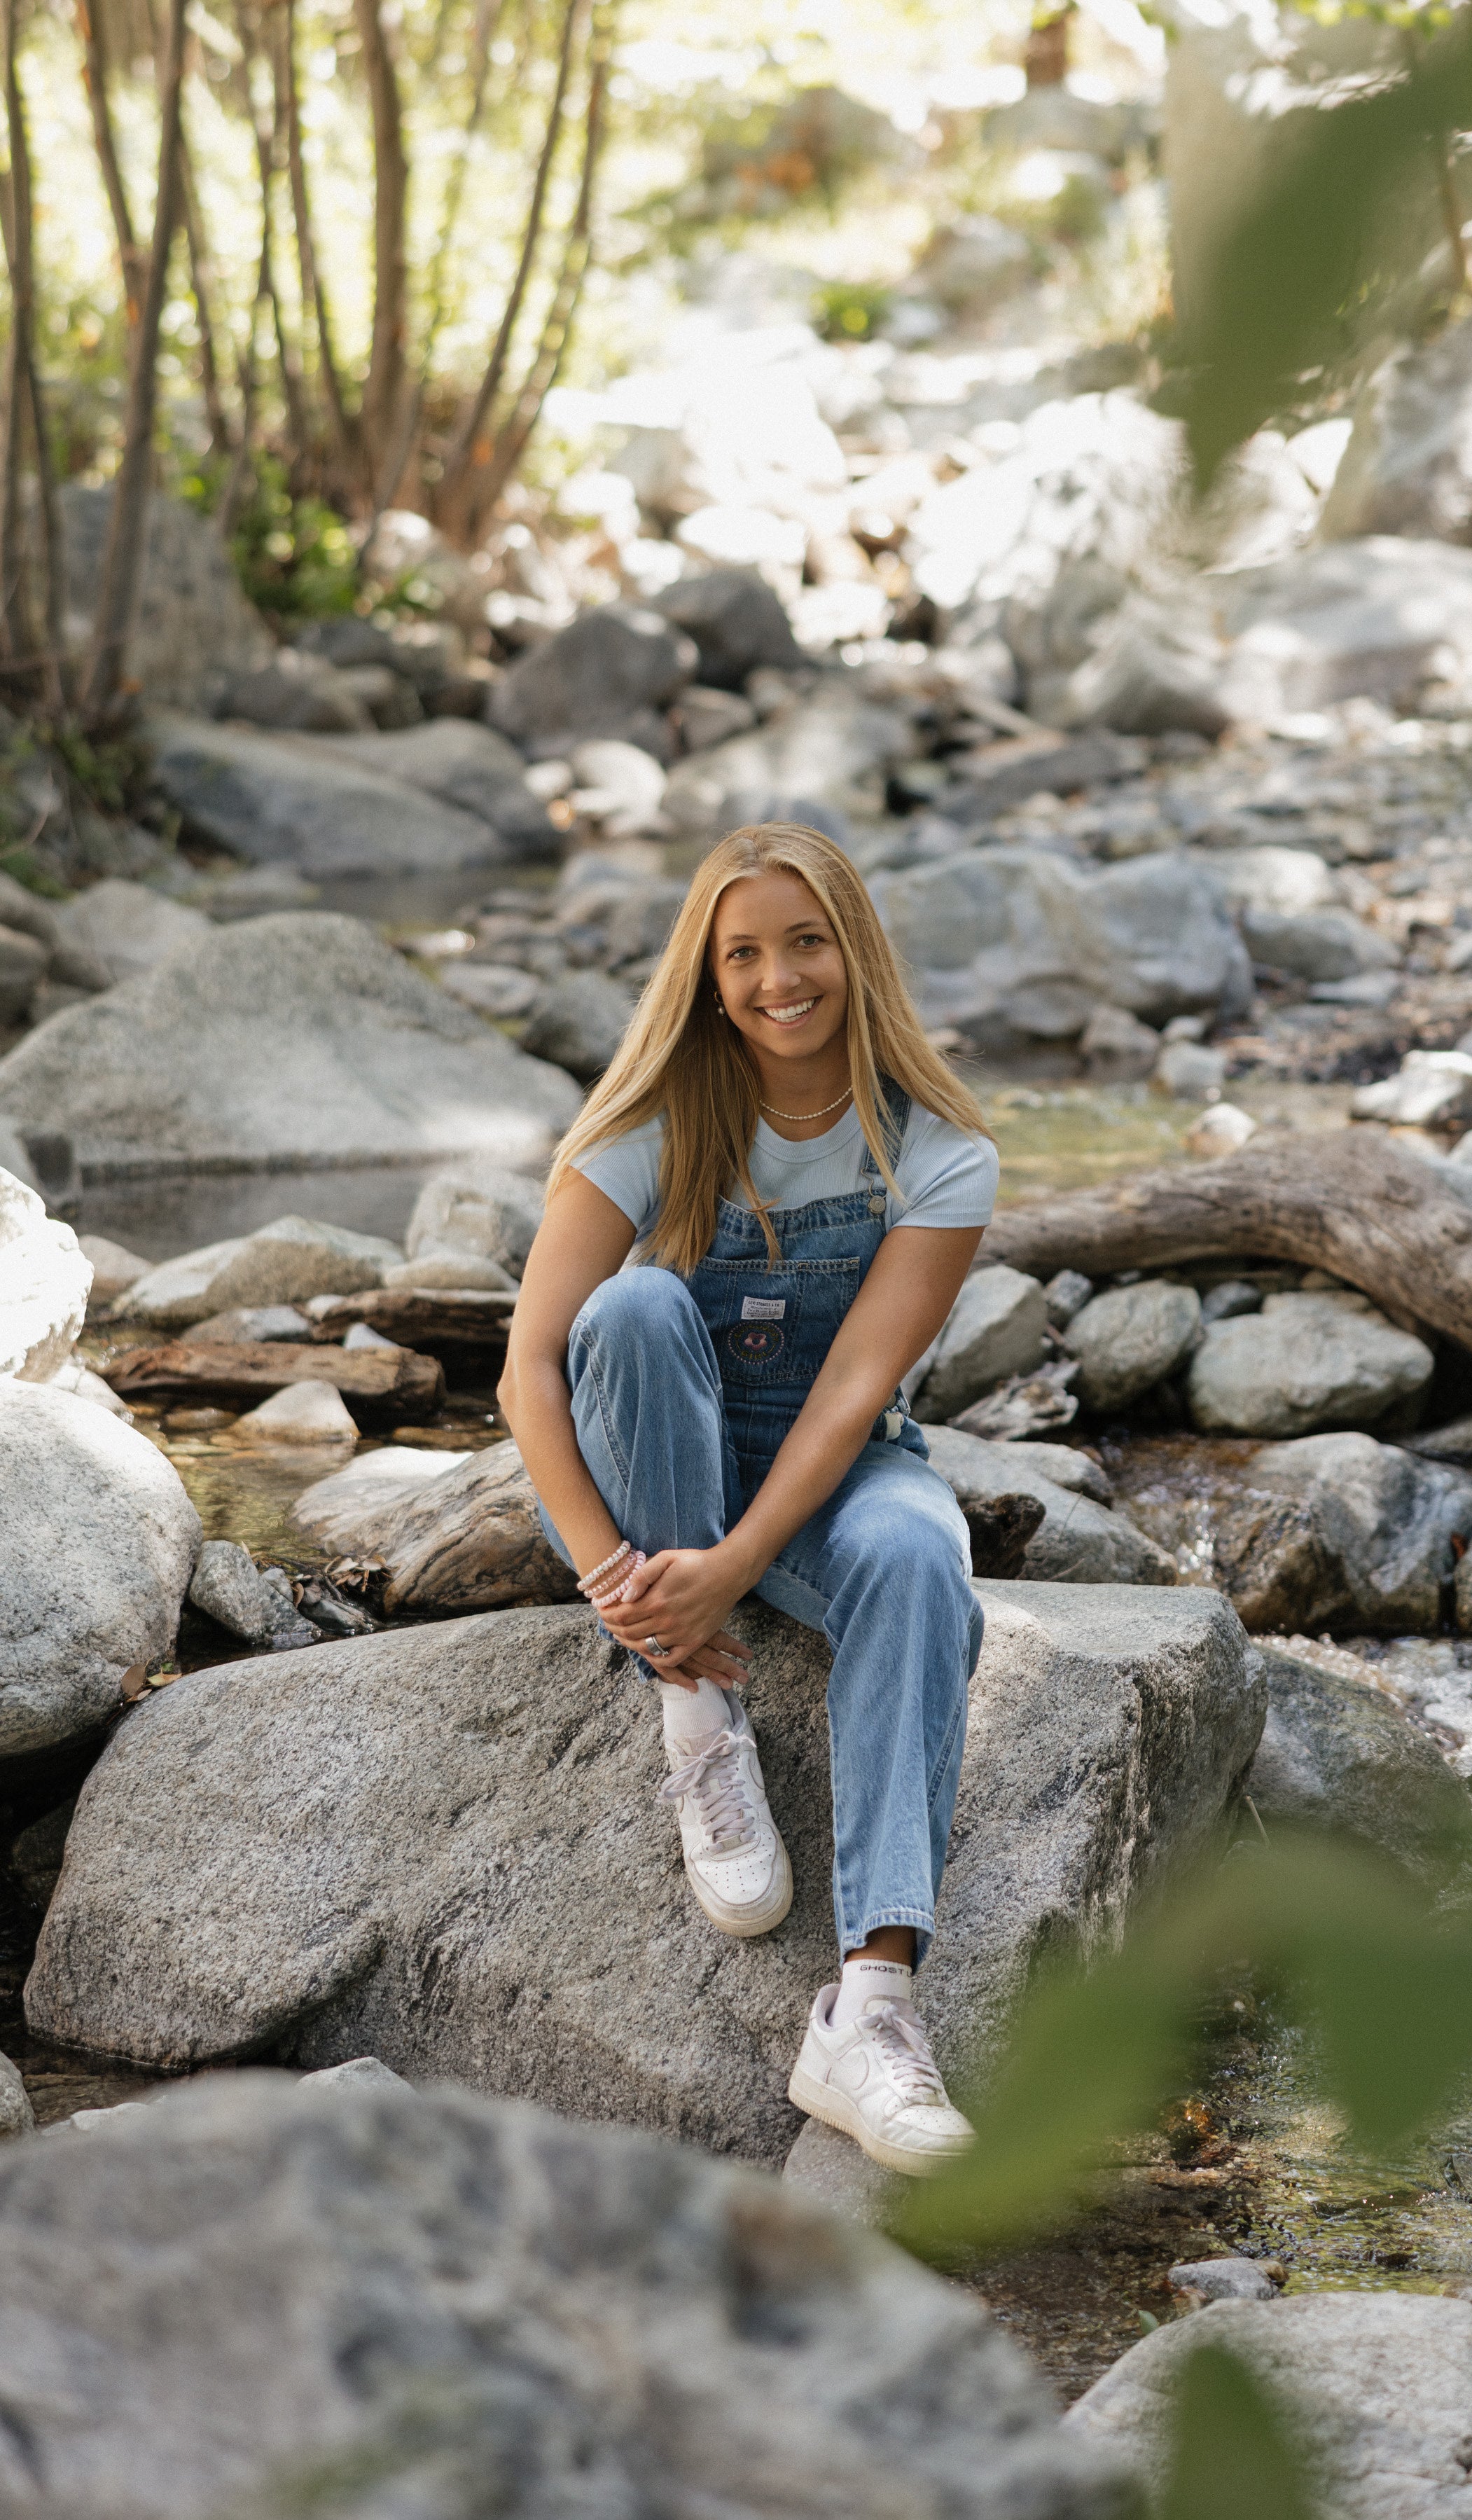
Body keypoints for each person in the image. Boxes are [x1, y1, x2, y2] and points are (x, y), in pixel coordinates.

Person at [499, 821, 999, 2175]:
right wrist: (643, 1599)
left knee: (915, 1550)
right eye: (744, 953)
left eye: (805, 942)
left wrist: (736, 1564)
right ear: (708, 976)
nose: (780, 977)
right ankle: (697, 1718)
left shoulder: (939, 1151)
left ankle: (871, 2010)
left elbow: (851, 1400)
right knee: (643, 1308)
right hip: (646, 1461)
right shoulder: (653, 1124)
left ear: (856, 951)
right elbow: (532, 1374)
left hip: (831, 1465)